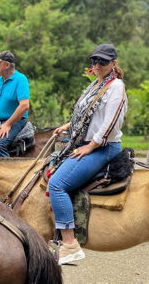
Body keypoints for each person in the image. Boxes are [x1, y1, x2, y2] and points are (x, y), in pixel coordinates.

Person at [48, 44, 127, 265]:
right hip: (86, 141)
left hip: (104, 147)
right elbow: (87, 115)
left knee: (57, 184)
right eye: (94, 61)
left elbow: (110, 122)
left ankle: (71, 243)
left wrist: (90, 146)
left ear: (113, 63)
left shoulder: (116, 86)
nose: (97, 65)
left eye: (102, 62)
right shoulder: (97, 84)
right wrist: (67, 126)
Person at [0, 50, 30, 157]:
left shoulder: (20, 79)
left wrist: (8, 124)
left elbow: (25, 105)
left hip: (15, 121)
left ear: (6, 65)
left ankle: (9, 172)